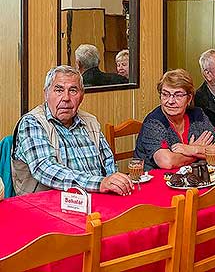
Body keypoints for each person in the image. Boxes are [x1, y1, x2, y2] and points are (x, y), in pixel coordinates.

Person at [11, 65, 133, 196]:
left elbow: (108, 162)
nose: (66, 98)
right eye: (59, 90)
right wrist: (100, 183)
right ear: (46, 94)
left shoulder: (90, 121)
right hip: (48, 207)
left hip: (97, 200)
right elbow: (45, 169)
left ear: (82, 96)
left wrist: (114, 183)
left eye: (73, 90)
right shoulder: (32, 122)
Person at [135, 69, 215, 171]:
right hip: (154, 180)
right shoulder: (153, 122)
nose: (170, 101)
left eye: (178, 95)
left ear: (189, 98)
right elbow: (167, 162)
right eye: (165, 94)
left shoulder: (197, 115)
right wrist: (201, 153)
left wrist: (192, 149)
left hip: (191, 178)